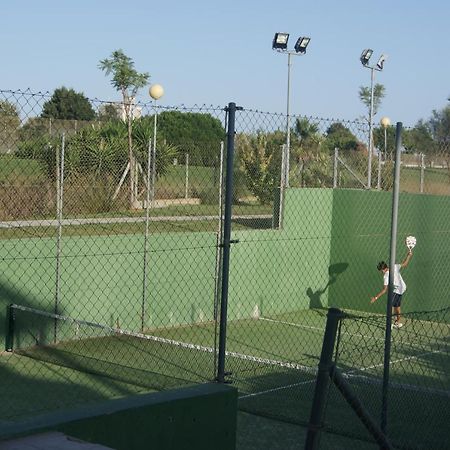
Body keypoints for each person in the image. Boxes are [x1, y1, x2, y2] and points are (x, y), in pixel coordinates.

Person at [370, 249, 413, 328]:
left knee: (391, 306)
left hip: (398, 290)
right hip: (402, 288)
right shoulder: (394, 266)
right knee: (397, 307)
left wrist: (375, 298)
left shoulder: (386, 276)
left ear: (383, 269)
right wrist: (408, 256)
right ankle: (397, 322)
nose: (381, 272)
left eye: (381, 270)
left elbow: (384, 290)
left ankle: (389, 324)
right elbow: (404, 264)